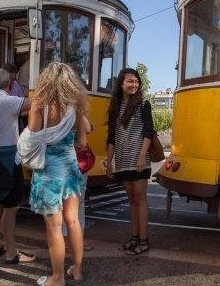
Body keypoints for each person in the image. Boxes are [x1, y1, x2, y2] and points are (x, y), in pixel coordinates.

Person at [18, 62, 87, 285]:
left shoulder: (40, 103)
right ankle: (76, 270)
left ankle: (57, 278)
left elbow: (33, 136)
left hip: (48, 171)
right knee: (73, 221)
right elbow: (82, 143)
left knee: (54, 227)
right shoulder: (75, 105)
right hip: (70, 168)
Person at [0, 68, 35, 264]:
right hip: (9, 156)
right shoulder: (7, 100)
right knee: (11, 207)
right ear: (8, 84)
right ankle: (11, 252)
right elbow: (34, 103)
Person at [105, 68, 155, 256]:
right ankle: (134, 237)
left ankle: (143, 240)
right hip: (123, 160)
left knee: (140, 199)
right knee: (132, 200)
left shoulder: (143, 104)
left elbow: (149, 132)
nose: (134, 84)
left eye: (136, 81)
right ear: (121, 84)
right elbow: (112, 137)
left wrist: (142, 156)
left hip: (139, 159)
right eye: (130, 81)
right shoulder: (115, 108)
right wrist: (109, 162)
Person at [62, 115, 94, 251]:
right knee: (76, 203)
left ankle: (67, 239)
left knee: (63, 203)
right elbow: (87, 129)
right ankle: (76, 239)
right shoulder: (74, 109)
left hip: (60, 161)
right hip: (73, 161)